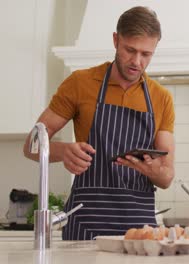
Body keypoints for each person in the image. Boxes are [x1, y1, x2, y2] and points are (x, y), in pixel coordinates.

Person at [23, 6, 175, 240]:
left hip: (139, 233)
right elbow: (31, 147)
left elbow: (166, 178)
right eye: (130, 50)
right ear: (116, 40)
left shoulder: (161, 98)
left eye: (146, 54)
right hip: (86, 226)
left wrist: (153, 170)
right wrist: (64, 151)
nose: (137, 61)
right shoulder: (80, 83)